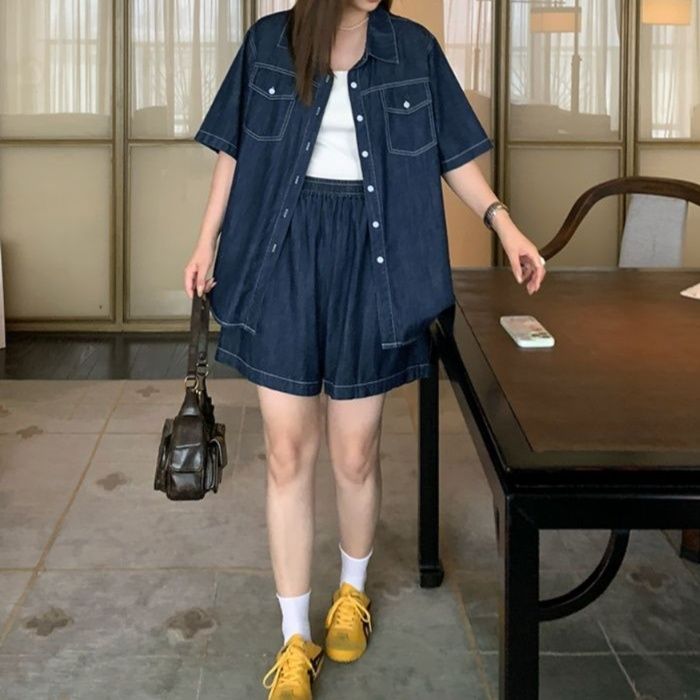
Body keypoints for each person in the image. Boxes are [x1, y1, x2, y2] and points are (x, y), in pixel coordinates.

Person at [185, 1, 546, 697]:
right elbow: (233, 152)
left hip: (374, 256)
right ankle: (295, 636)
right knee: (287, 451)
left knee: (355, 451)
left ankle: (352, 592)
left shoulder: (412, 48)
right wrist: (205, 242)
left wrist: (505, 225)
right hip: (281, 253)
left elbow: (452, 154)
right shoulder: (270, 41)